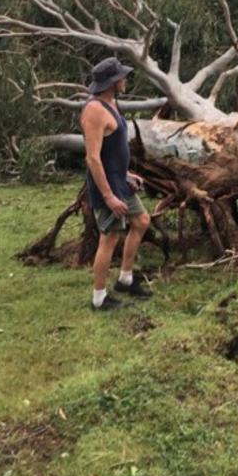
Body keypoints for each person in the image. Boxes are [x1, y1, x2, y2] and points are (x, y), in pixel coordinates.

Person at [80, 57, 153, 310]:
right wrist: (109, 196)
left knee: (142, 221)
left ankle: (125, 278)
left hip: (120, 183)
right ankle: (99, 298)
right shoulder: (94, 111)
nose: (125, 80)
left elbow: (113, 152)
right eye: (122, 77)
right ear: (112, 82)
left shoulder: (110, 103)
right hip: (107, 189)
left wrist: (126, 175)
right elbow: (93, 158)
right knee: (109, 237)